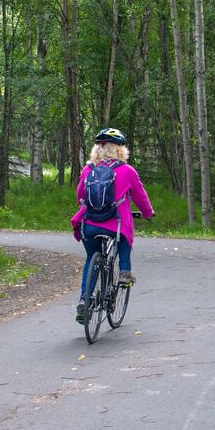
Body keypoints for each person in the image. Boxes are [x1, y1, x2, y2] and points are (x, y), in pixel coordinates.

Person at [71, 127, 155, 322]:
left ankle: (85, 301)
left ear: (98, 149)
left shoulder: (88, 169)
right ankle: (124, 272)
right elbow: (140, 197)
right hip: (114, 225)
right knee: (125, 235)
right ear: (119, 150)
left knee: (91, 257)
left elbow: (80, 196)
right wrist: (148, 213)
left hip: (89, 225)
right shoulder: (127, 171)